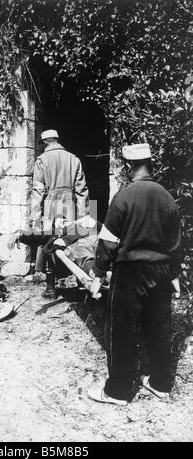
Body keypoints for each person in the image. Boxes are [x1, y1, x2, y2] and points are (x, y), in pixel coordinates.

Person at [82, 143, 182, 406]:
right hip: (160, 271)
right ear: (150, 164)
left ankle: (117, 391)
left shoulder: (124, 197)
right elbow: (175, 243)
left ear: (128, 167)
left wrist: (99, 272)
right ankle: (161, 384)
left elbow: (108, 242)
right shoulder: (166, 197)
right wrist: (173, 273)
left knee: (122, 330)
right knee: (159, 326)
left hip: (130, 272)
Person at [30, 129, 89, 297]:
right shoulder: (74, 159)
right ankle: (80, 284)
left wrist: (35, 218)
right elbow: (82, 191)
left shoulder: (42, 160)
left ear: (45, 142)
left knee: (50, 241)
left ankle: (51, 288)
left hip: (51, 204)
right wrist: (83, 217)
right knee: (72, 240)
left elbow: (38, 191)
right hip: (69, 204)